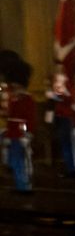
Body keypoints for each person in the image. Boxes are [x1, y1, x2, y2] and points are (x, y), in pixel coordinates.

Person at [3, 65, 34, 194]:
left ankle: (25, 187)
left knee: (23, 161)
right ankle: (19, 185)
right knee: (15, 160)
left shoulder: (27, 99)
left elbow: (30, 118)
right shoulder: (13, 98)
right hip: (12, 133)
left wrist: (27, 134)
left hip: (21, 133)